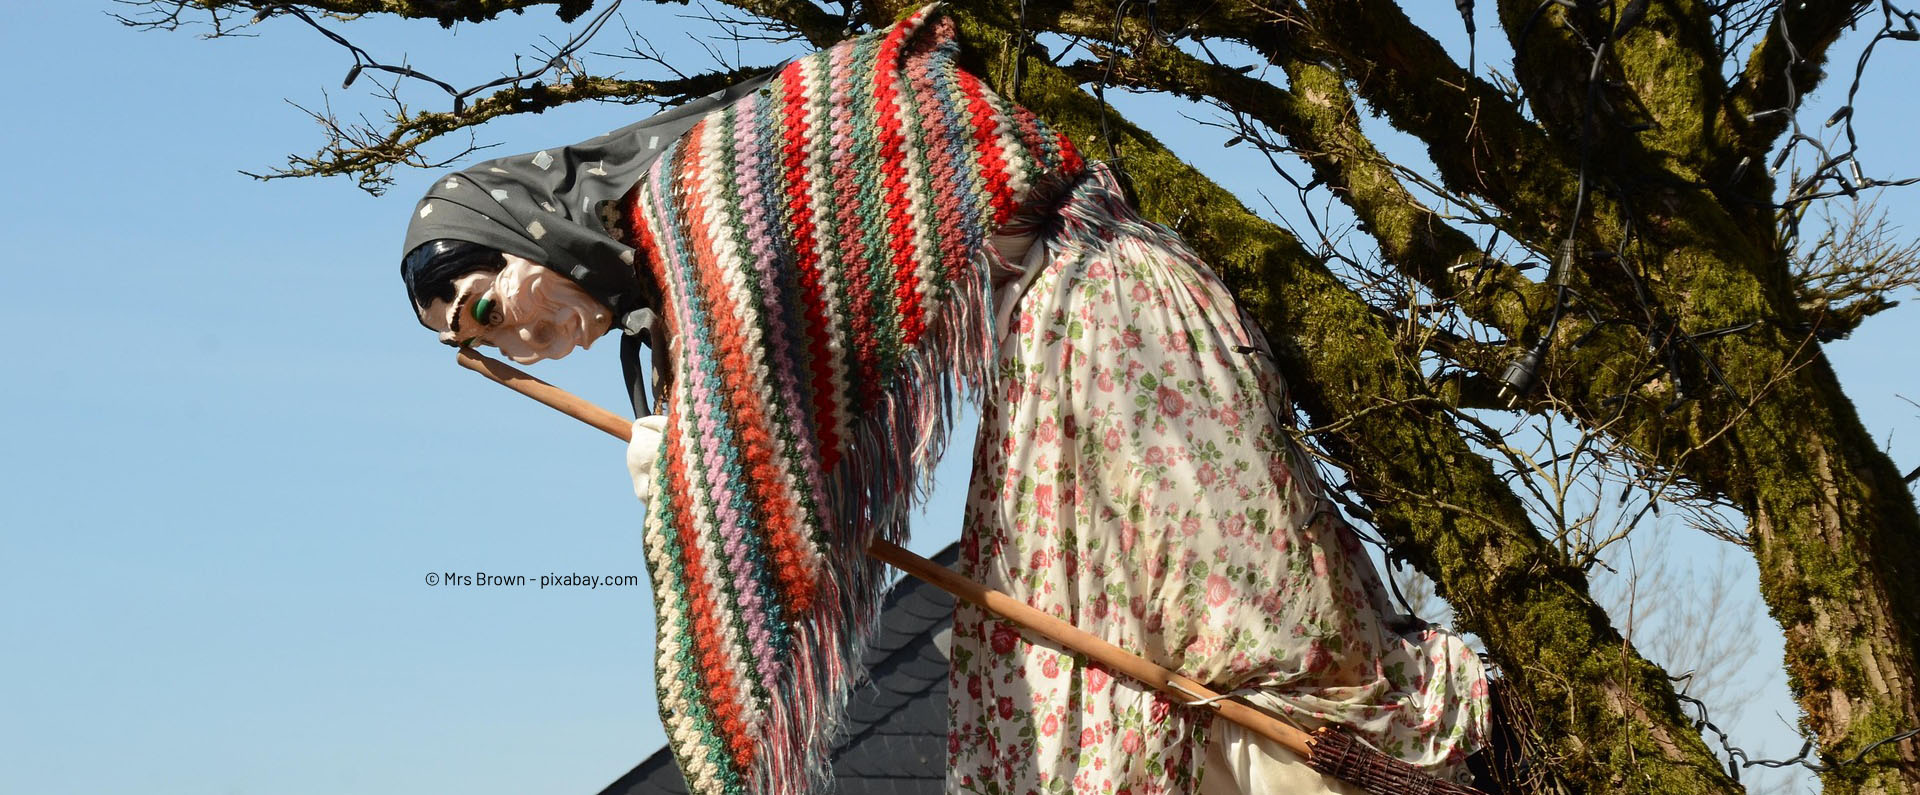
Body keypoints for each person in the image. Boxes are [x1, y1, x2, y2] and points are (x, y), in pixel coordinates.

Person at [400, 8, 1488, 795]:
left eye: (492, 307)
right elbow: (752, 419)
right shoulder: (675, 257)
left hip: (1115, 332)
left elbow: (754, 439)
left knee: (1222, 632)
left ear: (526, 230)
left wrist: (685, 471)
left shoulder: (696, 204)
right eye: (485, 345)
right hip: (1050, 359)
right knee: (1051, 687)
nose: (525, 346)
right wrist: (694, 455)